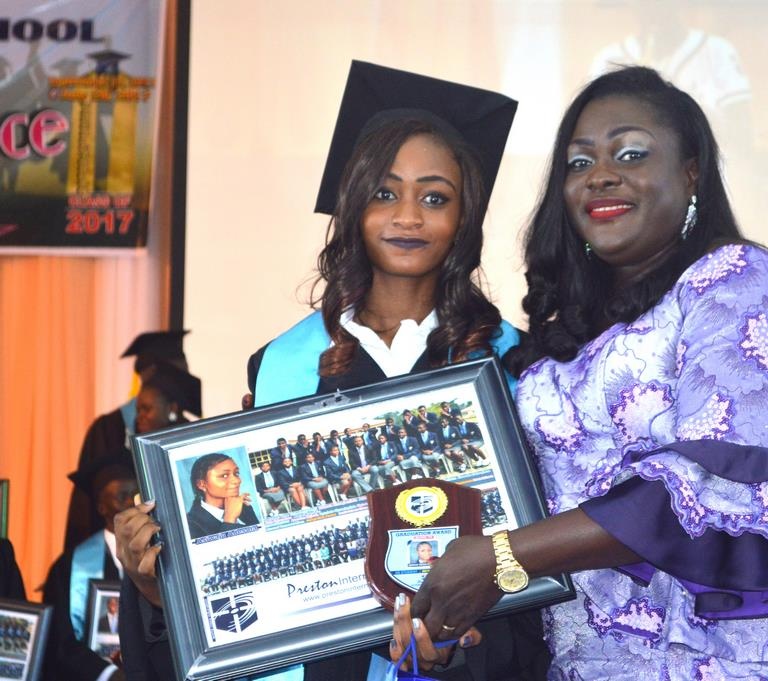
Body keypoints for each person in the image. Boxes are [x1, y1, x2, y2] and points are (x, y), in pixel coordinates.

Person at [393, 66, 768, 678]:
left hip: (719, 658)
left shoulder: (737, 281)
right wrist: (454, 610)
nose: (600, 174)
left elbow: (705, 485)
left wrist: (498, 557)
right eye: (579, 162)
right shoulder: (568, 332)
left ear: (691, 171)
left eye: (630, 153)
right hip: (586, 659)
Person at [114, 61, 548, 680]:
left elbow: (527, 563)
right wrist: (160, 588)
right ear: (352, 205)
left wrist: (453, 651)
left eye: (434, 197)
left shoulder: (514, 363)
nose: (408, 216)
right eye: (384, 193)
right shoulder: (284, 364)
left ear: (465, 216)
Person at [65, 331, 200, 551]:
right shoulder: (108, 429)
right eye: (178, 370)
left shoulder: (189, 430)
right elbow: (87, 508)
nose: (184, 378)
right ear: (151, 373)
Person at [43, 456, 137, 681]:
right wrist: (108, 674)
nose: (131, 504)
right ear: (101, 507)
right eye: (122, 496)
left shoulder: (163, 555)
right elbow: (60, 638)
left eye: (135, 495)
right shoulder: (69, 567)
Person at [185, 453, 260, 540]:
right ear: (201, 484)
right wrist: (230, 519)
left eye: (236, 473)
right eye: (224, 475)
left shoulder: (244, 507)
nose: (237, 480)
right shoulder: (190, 525)